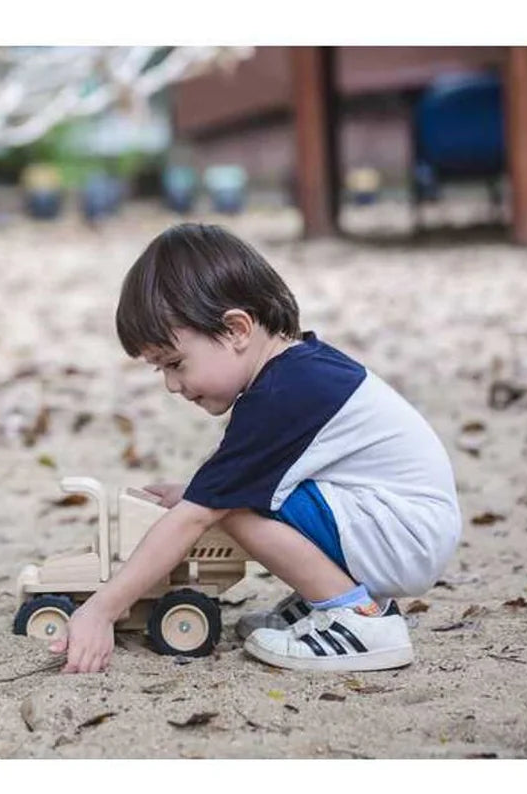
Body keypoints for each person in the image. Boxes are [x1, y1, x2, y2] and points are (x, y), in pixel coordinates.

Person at [51, 222, 461, 674]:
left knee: (234, 506)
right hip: (400, 526)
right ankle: (327, 600)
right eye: (160, 371)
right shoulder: (297, 372)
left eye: (175, 363)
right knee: (233, 496)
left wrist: (102, 609)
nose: (171, 385)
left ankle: (358, 620)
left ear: (236, 329)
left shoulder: (281, 395)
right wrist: (195, 492)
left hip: (403, 534)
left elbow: (200, 514)